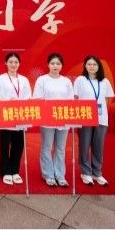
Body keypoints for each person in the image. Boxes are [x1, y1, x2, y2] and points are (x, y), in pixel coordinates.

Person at [34, 52, 75, 187]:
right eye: (52, 63)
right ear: (48, 65)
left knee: (60, 148)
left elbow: (70, 100)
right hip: (47, 119)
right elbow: (37, 99)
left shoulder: (66, 81)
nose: (55, 66)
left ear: (62, 66)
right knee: (46, 147)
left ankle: (60, 175)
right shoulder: (42, 80)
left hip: (63, 118)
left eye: (58, 63)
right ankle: (48, 175)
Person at [76, 55, 115, 186]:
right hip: (85, 117)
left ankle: (97, 172)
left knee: (98, 146)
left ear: (99, 66)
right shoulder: (80, 80)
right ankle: (85, 172)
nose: (92, 67)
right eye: (89, 64)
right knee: (84, 146)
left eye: (94, 64)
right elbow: (76, 97)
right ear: (85, 66)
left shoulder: (105, 81)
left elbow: (108, 99)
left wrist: (101, 111)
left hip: (101, 118)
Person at [0, 52, 31, 185]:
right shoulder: (0, 79)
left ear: (19, 64)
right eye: (10, 62)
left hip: (20, 116)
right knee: (4, 146)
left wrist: (19, 103)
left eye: (16, 62)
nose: (13, 64)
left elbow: (28, 98)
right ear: (6, 63)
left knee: (18, 145)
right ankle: (5, 171)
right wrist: (9, 101)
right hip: (6, 116)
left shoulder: (24, 80)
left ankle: (15, 170)